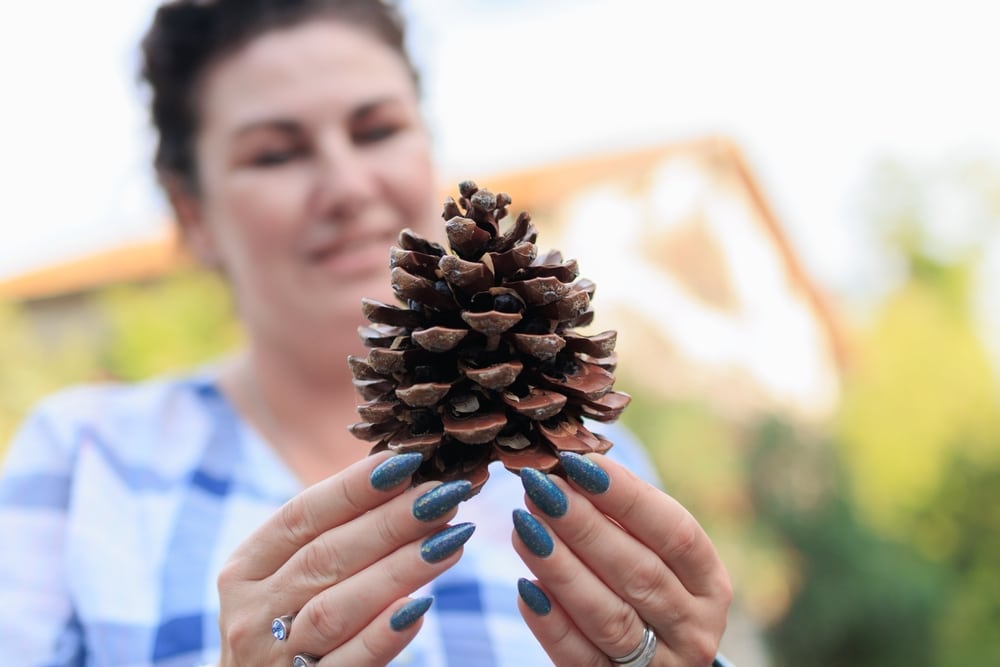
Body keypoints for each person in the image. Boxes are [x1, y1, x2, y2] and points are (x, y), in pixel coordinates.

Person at [0, 1, 733, 665]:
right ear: (191, 212)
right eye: (276, 153)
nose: (348, 186)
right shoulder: (82, 466)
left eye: (377, 130)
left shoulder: (581, 453)